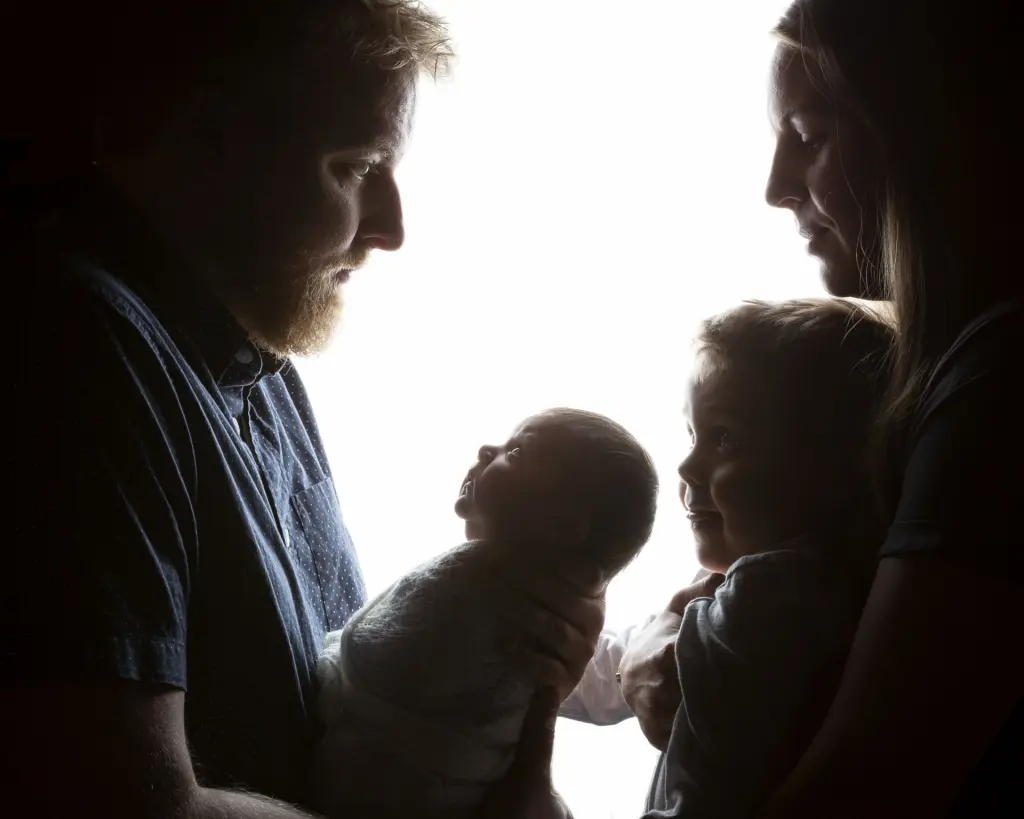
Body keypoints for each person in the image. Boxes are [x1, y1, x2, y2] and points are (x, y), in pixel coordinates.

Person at [2, 3, 604, 818]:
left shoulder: (256, 360)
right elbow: (123, 800)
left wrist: (496, 681)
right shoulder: (73, 347)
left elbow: (322, 703)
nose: (390, 228)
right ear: (211, 135)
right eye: (356, 167)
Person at [619, 1, 1022, 816]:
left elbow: (865, 787)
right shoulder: (955, 376)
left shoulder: (1000, 388)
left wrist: (695, 666)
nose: (775, 186)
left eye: (808, 135)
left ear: (924, 133)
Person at [314, 408, 659, 819]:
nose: (485, 450)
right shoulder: (546, 610)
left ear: (565, 526)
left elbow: (366, 653)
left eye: (516, 451)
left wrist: (331, 655)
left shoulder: (475, 584)